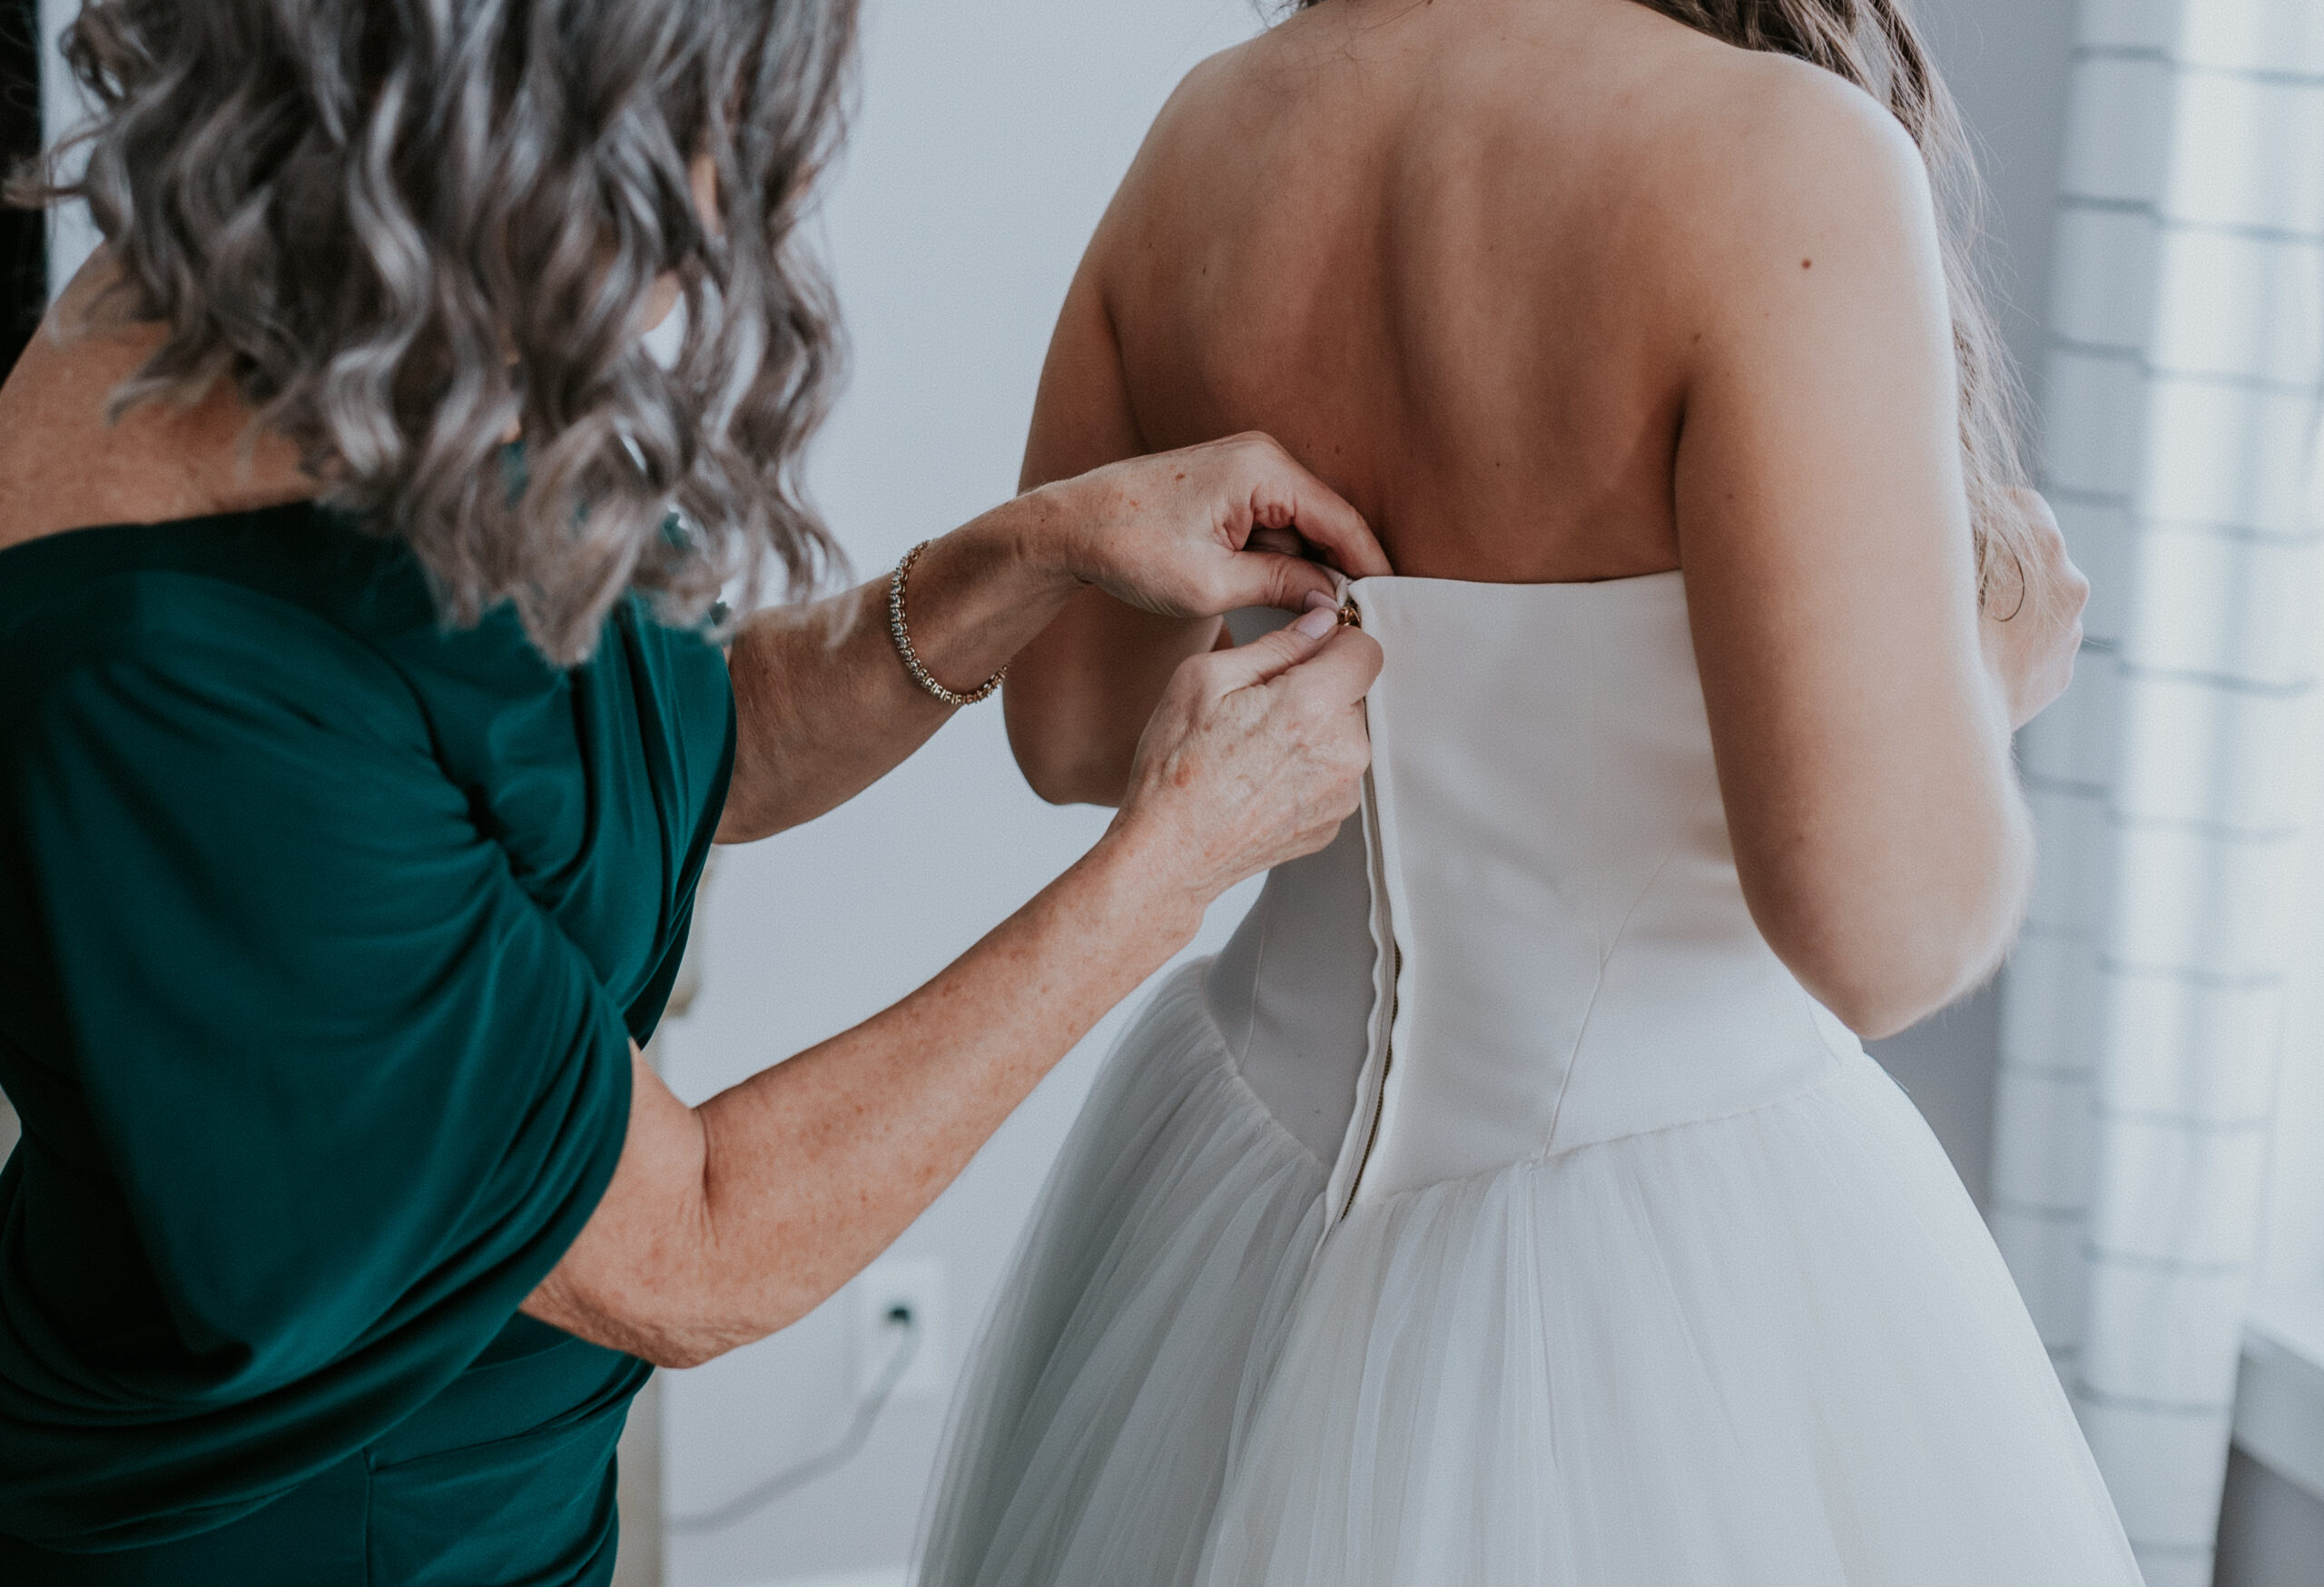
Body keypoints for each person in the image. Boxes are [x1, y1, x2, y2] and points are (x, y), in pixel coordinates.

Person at [0, 2, 1388, 1582]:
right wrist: (1174, 859)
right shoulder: (176, 692)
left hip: (498, 1472)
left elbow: (676, 738)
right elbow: (693, 1245)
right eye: (715, 126)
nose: (760, 201)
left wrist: (1044, 546)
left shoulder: (371, 294)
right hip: (312, 1528)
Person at [916, 2, 2139, 1583]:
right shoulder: (1781, 159)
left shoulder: (1214, 129)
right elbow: (1885, 929)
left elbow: (1070, 729)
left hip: (1233, 1191)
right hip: (1666, 1262)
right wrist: (1988, 680)